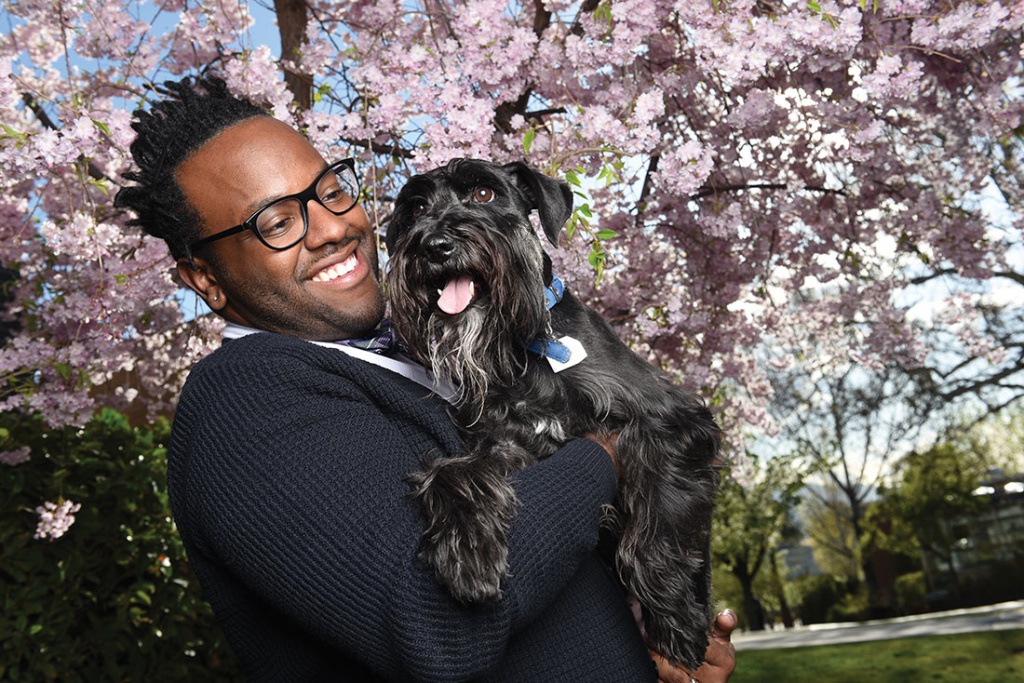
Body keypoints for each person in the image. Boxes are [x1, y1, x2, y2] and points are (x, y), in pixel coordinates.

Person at [114, 76, 737, 682]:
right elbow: (437, 625)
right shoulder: (243, 405)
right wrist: (607, 455)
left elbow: (545, 547)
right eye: (277, 224)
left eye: (331, 192)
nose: (333, 229)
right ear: (205, 279)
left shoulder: (428, 358)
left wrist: (657, 631)